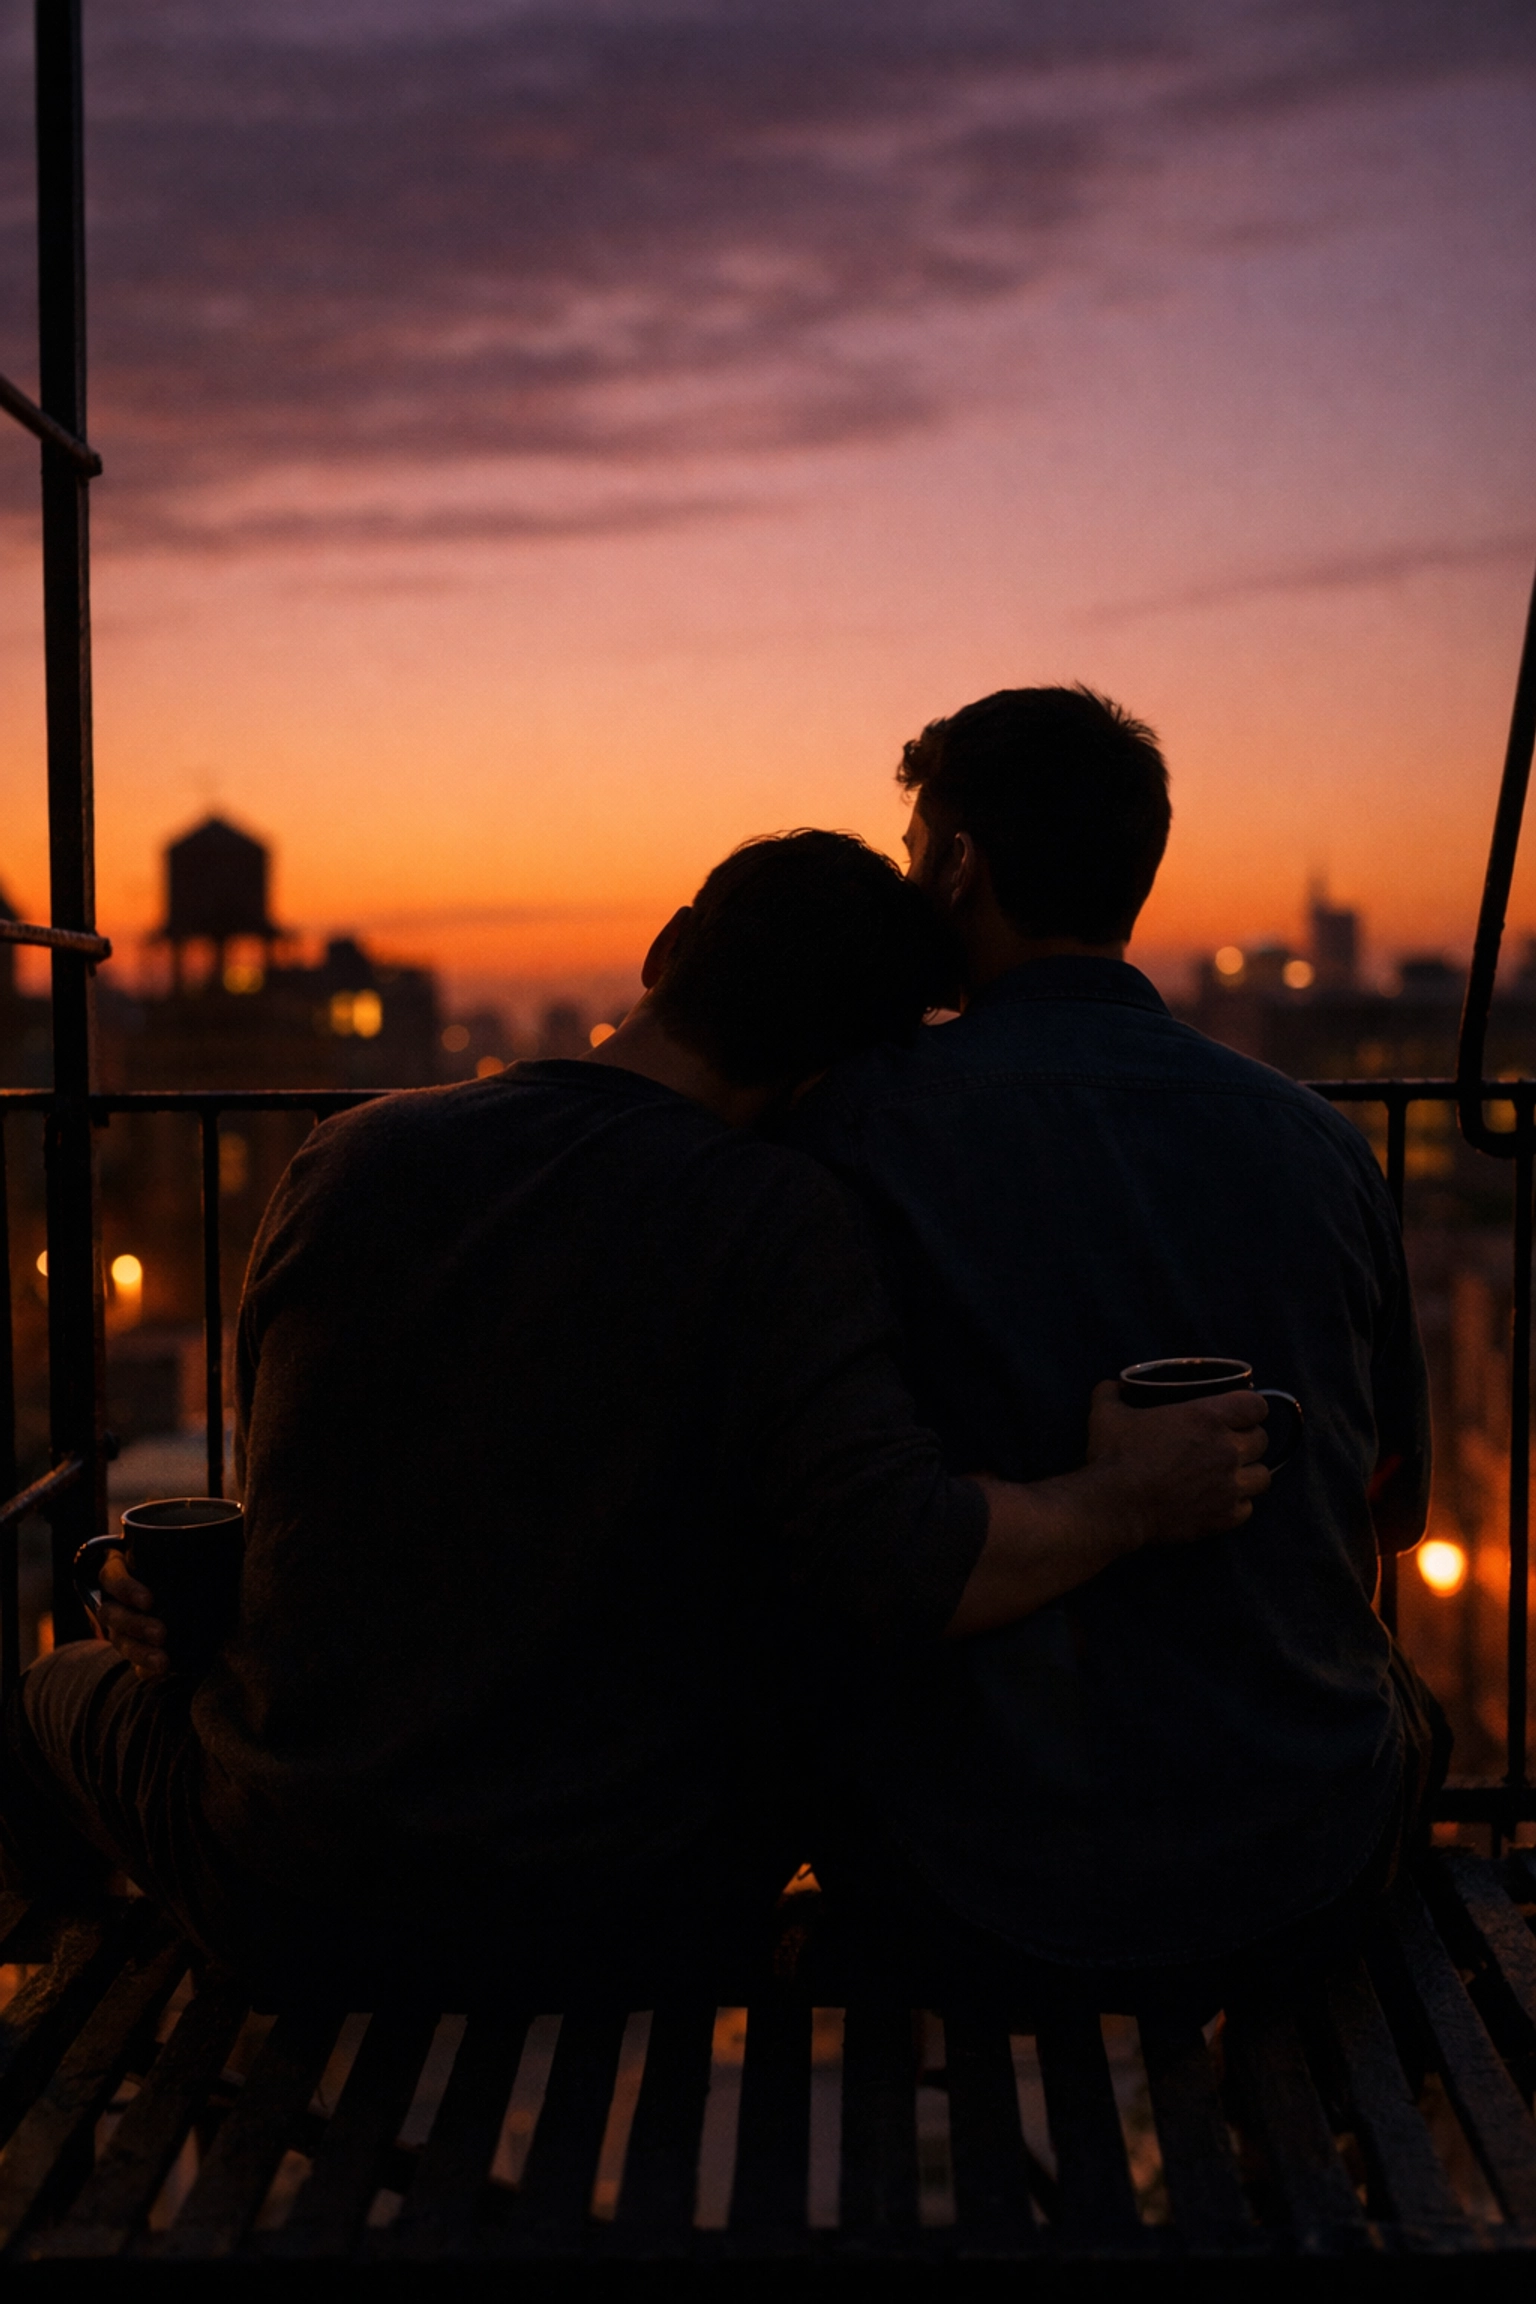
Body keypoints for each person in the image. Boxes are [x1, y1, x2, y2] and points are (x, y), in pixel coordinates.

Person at [1, 830, 1267, 1999]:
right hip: (624, 1909)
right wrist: (1130, 1497)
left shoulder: (349, 1158)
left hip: (290, 1894)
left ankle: (70, 2018)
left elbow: (304, 1502)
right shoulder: (777, 1222)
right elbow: (905, 1561)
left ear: (666, 948)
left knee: (47, 1689)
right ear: (839, 1070)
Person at [788, 691, 1446, 2014]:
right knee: (1403, 1716)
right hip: (1296, 1866)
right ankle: (1291, 2174)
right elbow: (1391, 1503)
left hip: (969, 1878)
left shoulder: (849, 1132)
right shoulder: (1317, 1143)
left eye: (920, 843)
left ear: (959, 863)